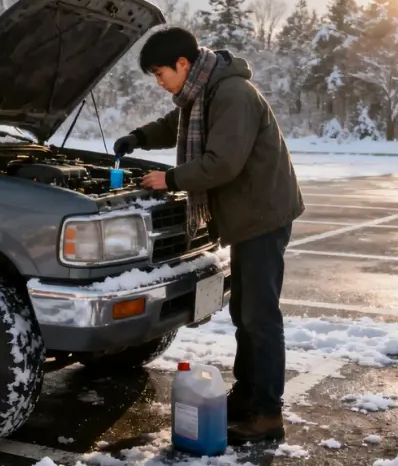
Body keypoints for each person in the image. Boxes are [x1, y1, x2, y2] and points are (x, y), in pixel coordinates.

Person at [113, 26, 304, 444]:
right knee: (245, 315)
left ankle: (267, 414)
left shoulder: (231, 94)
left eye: (160, 73)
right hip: (248, 214)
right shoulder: (203, 92)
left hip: (262, 215)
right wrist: (139, 137)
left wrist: (171, 178)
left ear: (183, 64)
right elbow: (174, 125)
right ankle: (248, 395)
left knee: (260, 318)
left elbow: (222, 163)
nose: (159, 82)